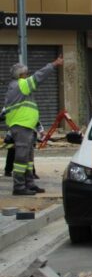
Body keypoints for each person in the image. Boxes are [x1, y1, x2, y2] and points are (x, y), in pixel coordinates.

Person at [3, 56, 64, 195]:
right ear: (21, 75)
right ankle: (19, 187)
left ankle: (29, 184)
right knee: (21, 157)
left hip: (26, 126)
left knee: (28, 158)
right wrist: (53, 64)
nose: (28, 75)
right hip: (21, 125)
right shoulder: (21, 84)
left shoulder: (18, 86)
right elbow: (39, 76)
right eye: (26, 73)